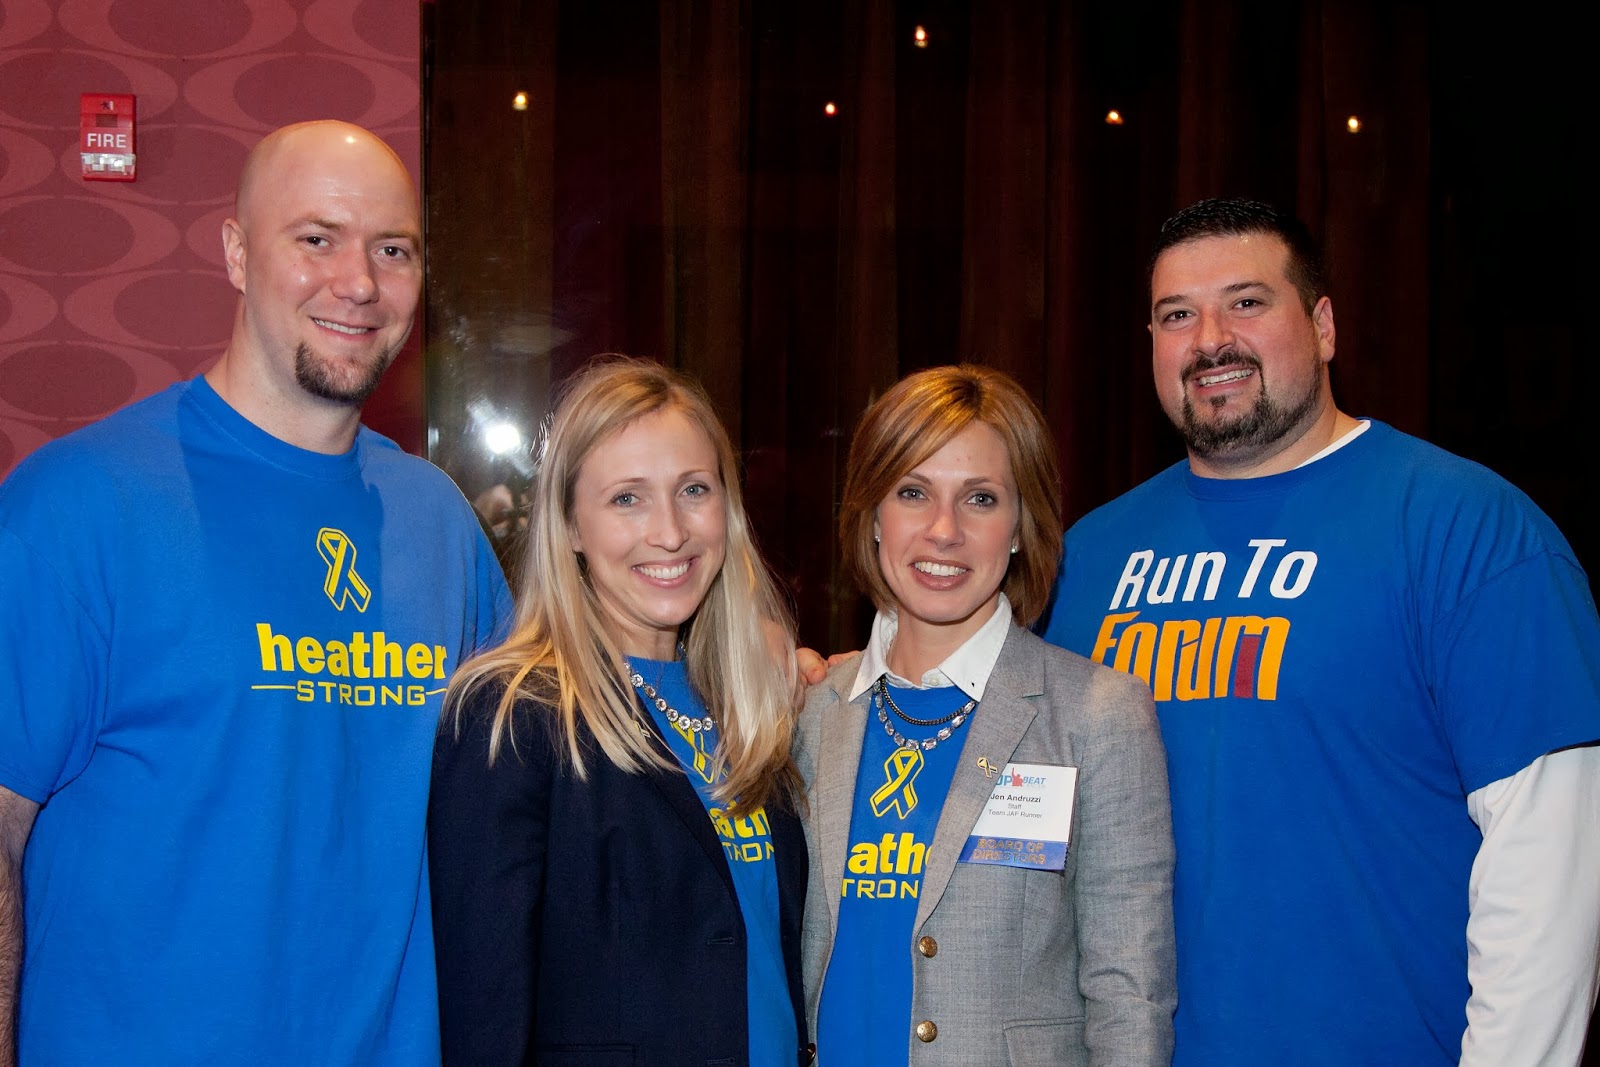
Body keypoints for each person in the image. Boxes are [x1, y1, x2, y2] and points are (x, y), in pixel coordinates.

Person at [1039, 197, 1600, 1065]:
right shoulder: (1089, 556)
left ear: (1325, 325)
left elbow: (1550, 868)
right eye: (1177, 315)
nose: (1210, 339)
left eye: (1247, 302)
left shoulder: (1466, 528)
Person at [0, 121, 512, 1064]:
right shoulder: (76, 506)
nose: (358, 281)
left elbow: (546, 758)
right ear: (236, 253)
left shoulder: (439, 525)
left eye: (391, 249)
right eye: (315, 238)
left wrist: (776, 674)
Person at [428, 358, 811, 1065]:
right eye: (627, 499)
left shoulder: (751, 706)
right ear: (570, 525)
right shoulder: (513, 716)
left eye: (693, 489)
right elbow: (485, 1010)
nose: (668, 532)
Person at [798, 365, 1176, 1066]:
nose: (944, 530)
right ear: (873, 515)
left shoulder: (1097, 715)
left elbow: (1130, 996)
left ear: (1018, 525)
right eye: (913, 492)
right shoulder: (809, 711)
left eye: (979, 497)